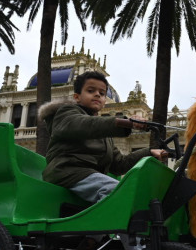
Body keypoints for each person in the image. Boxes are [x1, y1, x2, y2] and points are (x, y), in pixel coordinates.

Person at [39, 70, 167, 203]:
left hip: (88, 177)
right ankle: (108, 224)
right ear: (76, 97)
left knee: (136, 190)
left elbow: (119, 164)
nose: (97, 95)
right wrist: (125, 123)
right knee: (117, 190)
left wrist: (149, 152)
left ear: (105, 101)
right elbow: (83, 125)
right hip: (67, 173)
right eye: (90, 91)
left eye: (102, 93)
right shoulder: (66, 113)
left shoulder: (104, 134)